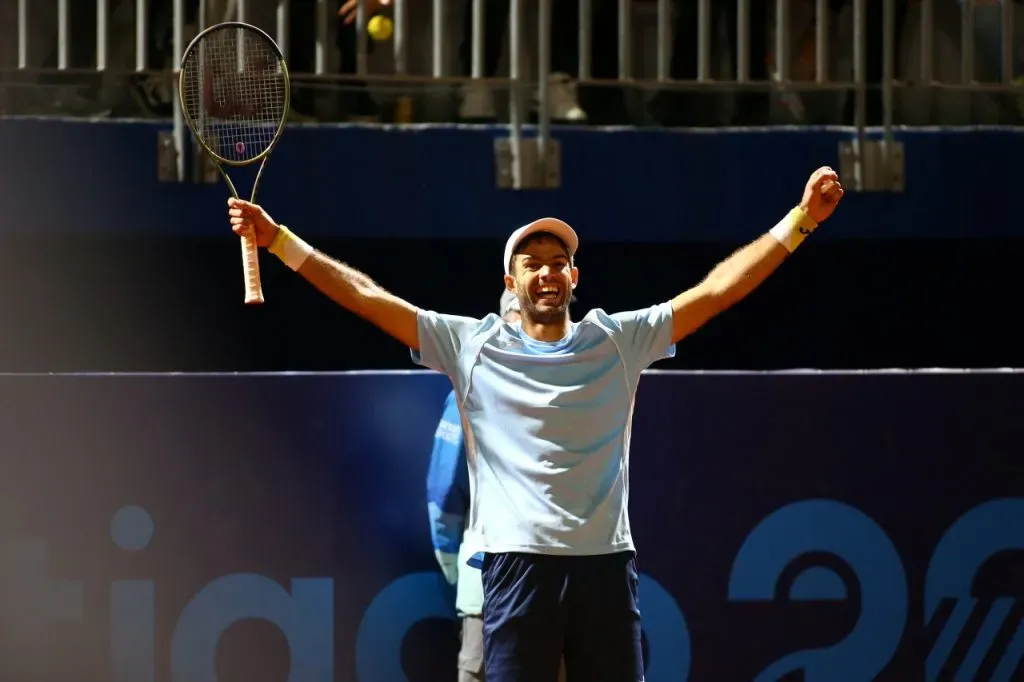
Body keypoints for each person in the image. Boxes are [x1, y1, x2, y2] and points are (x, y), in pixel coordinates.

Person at [227, 166, 844, 681]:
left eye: (559, 262)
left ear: (574, 277)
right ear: (511, 281)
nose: (547, 272)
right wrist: (280, 241)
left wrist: (801, 221)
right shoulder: (469, 344)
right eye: (532, 263)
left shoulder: (619, 340)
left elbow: (716, 292)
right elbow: (365, 296)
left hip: (606, 565)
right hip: (517, 567)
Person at [427, 290, 521, 682]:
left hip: (556, 597)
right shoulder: (469, 391)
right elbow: (445, 488)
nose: (526, 329)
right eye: (518, 315)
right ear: (502, 320)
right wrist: (457, 566)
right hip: (488, 591)